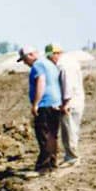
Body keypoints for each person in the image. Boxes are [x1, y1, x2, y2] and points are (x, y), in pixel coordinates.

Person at [18, 45, 62, 173]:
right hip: (55, 102)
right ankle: (52, 163)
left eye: (25, 60)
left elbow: (41, 82)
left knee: (44, 135)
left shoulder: (38, 66)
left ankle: (44, 166)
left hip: (45, 104)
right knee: (52, 135)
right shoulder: (49, 64)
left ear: (31, 55)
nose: (25, 63)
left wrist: (36, 104)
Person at [46, 42, 85, 166]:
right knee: (72, 129)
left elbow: (67, 86)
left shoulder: (64, 66)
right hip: (77, 100)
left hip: (71, 103)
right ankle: (71, 155)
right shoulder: (71, 61)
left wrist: (65, 103)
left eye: (49, 57)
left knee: (69, 130)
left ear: (55, 54)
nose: (49, 60)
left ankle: (72, 157)